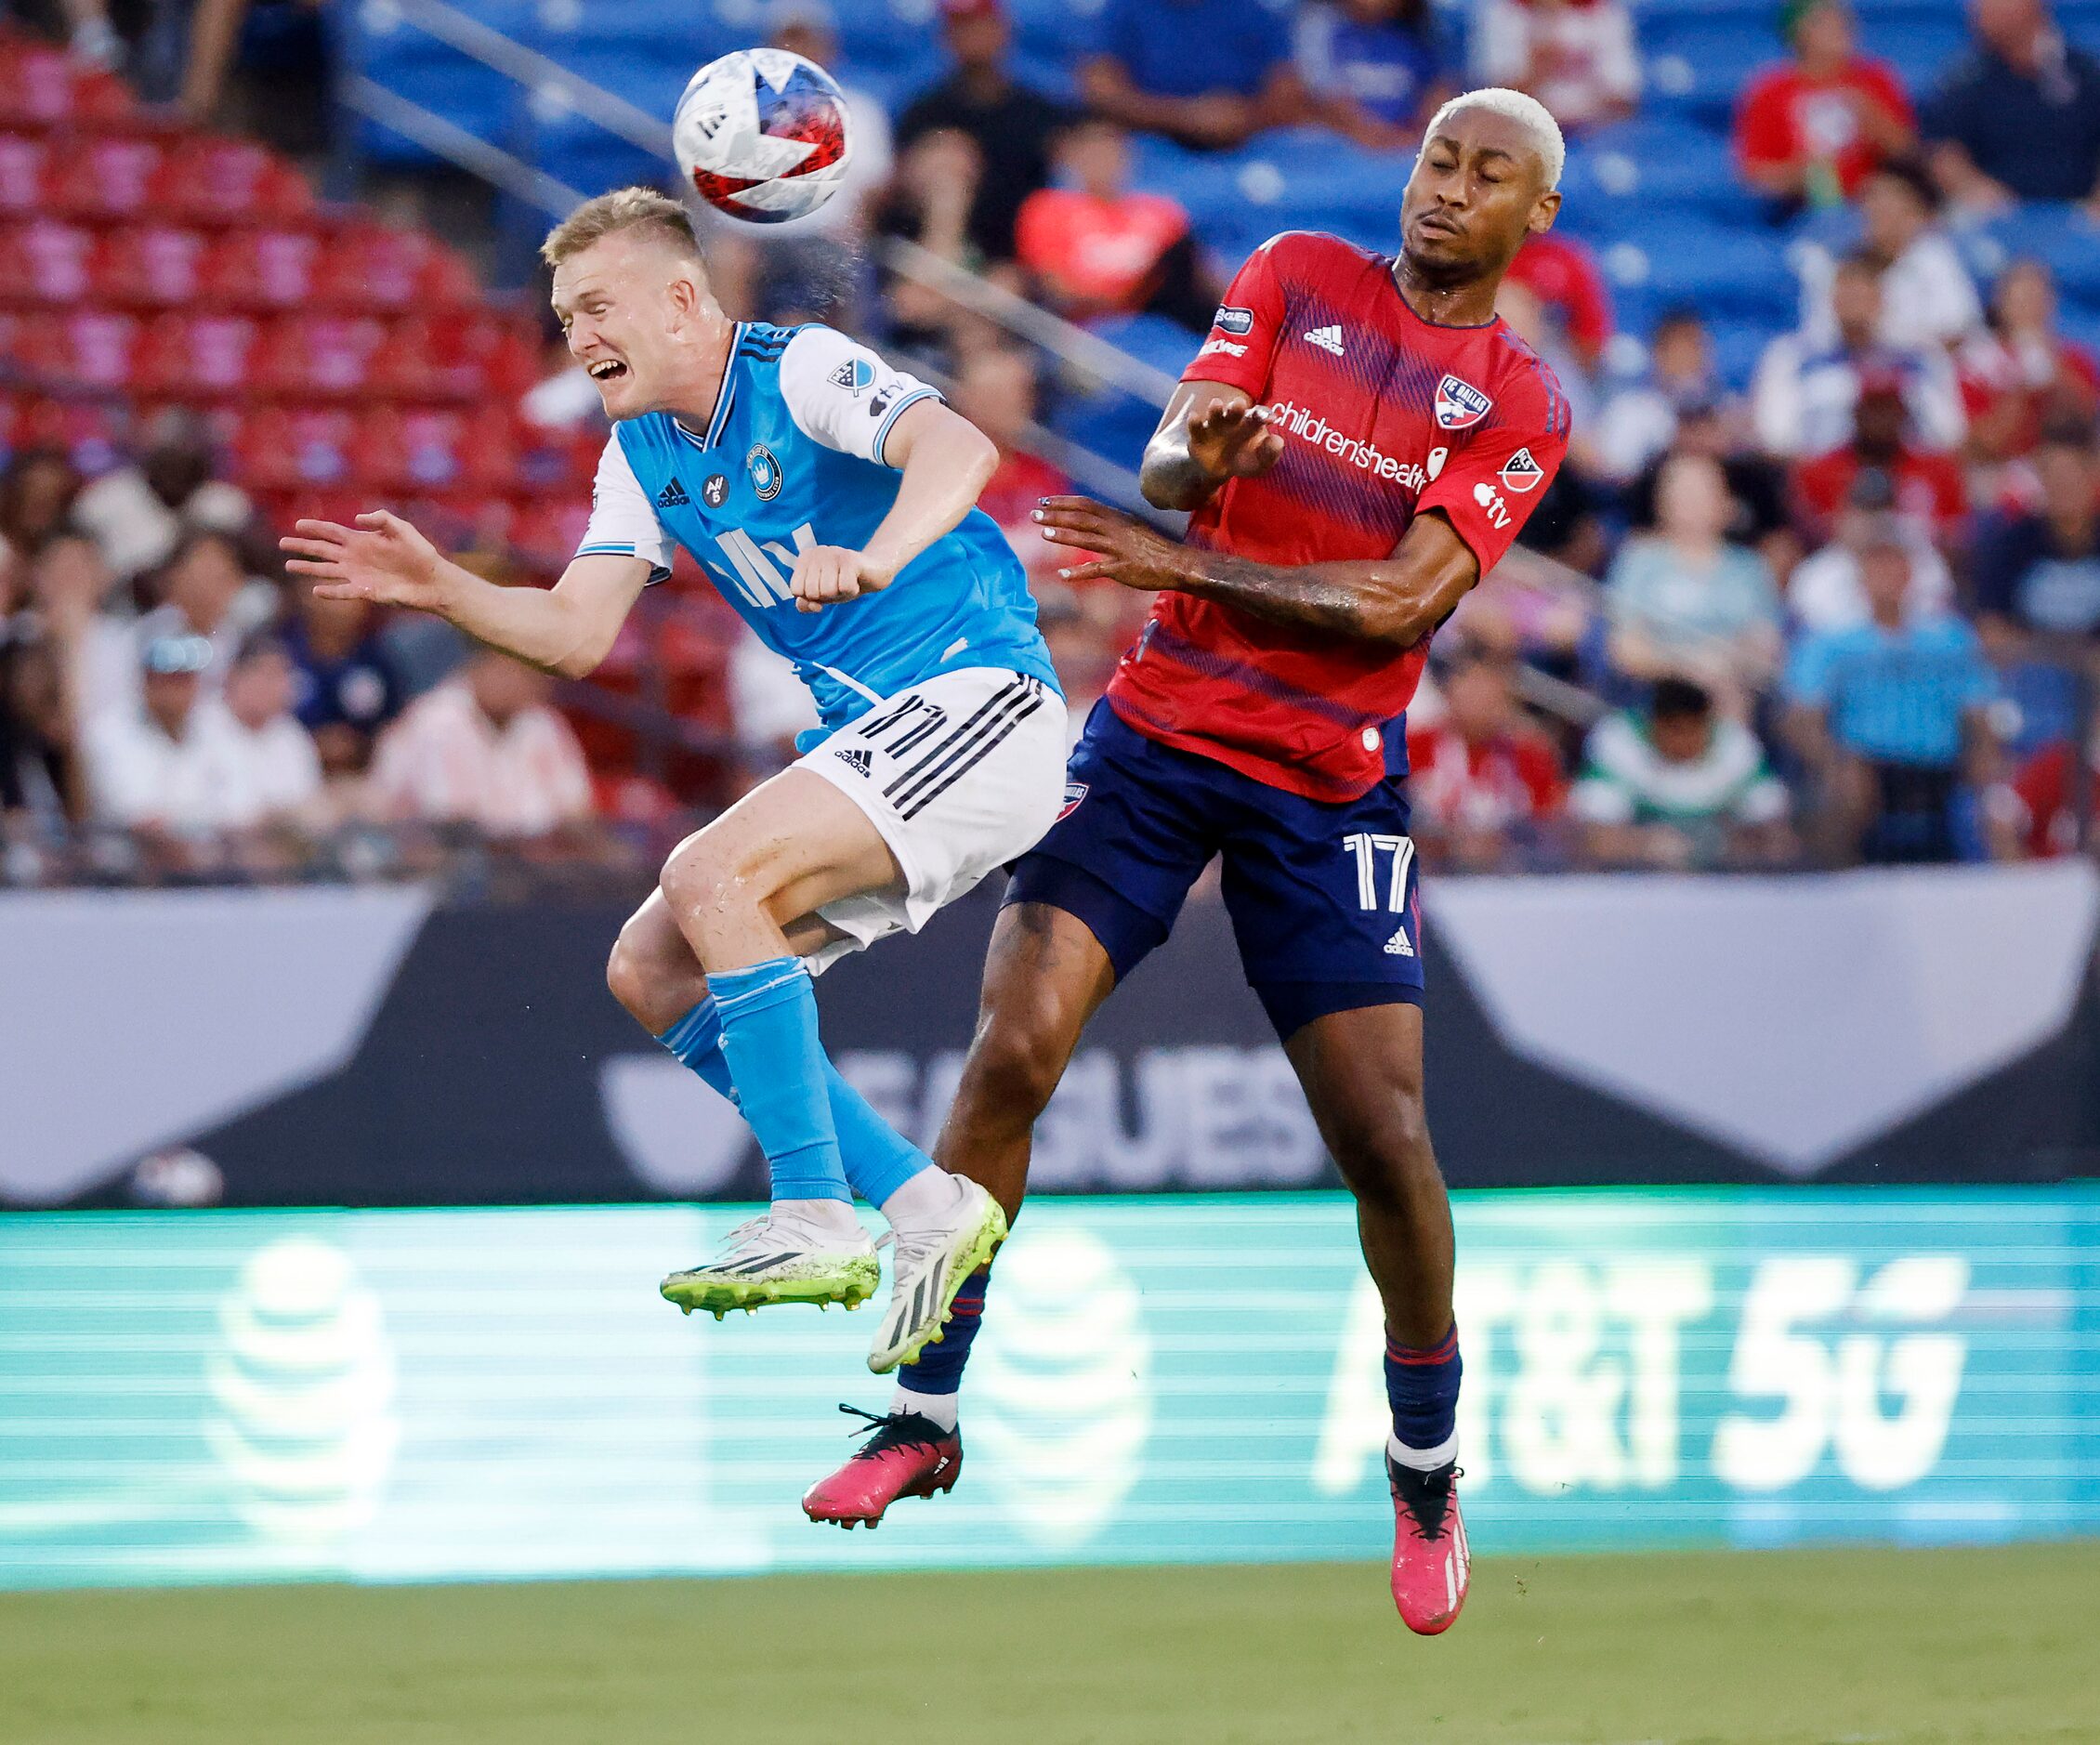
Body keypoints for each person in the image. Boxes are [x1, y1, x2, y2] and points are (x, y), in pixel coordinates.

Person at [803, 90, 1575, 1638]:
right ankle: (924, 1410)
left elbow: (1403, 603)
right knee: (1010, 1050)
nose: (1450, 189)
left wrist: (1191, 559)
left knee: (1387, 1140)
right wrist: (1183, 461)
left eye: (1490, 174)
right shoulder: (1293, 272)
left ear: (1531, 218)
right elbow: (1169, 463)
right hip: (1156, 742)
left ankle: (1425, 1463)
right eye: (1438, 157)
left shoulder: (1517, 399)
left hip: (1326, 787)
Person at [280, 188, 1066, 1377]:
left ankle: (812, 1213)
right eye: (562, 315)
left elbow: (958, 449)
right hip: (884, 735)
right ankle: (920, 1205)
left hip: (979, 702)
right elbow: (575, 632)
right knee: (647, 966)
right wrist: (444, 591)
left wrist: (876, 555)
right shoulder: (637, 452)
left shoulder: (797, 368)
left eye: (597, 306)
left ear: (686, 300)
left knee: (707, 873)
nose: (577, 335)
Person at [1784, 534, 1999, 862]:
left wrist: (1985, 754)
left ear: (1910, 575)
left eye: (1894, 568)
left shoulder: (1950, 639)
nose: (1886, 579)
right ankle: (1838, 898)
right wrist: (1836, 761)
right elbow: (1801, 718)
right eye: (1876, 569)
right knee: (1841, 798)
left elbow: (1979, 709)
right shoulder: (1830, 644)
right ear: (1860, 580)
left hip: (1941, 766)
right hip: (1865, 766)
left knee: (1999, 805)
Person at [893, 0, 1071, 268]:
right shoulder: (924, 112)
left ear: (1003, 30)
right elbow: (900, 195)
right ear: (945, 37)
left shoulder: (1041, 114)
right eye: (961, 27)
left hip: (1019, 262)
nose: (972, 37)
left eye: (980, 25)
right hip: (941, 251)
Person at [1604, 451, 1784, 711]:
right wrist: (1691, 666)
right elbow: (1625, 648)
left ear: (1725, 501)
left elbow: (1766, 646)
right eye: (1683, 492)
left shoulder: (1749, 567)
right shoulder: (1639, 560)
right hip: (1656, 695)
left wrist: (1725, 663)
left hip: (1730, 689)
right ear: (1662, 501)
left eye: (1703, 491)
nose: (1693, 502)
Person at [1752, 253, 1964, 458]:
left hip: (1907, 473)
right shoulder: (1792, 356)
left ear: (1881, 299)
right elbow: (1776, 440)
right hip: (1821, 474)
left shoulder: (1920, 356)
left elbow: (1948, 434)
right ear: (1831, 299)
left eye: (1862, 294)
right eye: (1847, 294)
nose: (1854, 303)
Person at [365, 644, 591, 837]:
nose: (521, 682)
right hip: (430, 860)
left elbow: (578, 809)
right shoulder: (438, 719)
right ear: (479, 666)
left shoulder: (542, 723)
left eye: (529, 673)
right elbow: (450, 822)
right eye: (507, 669)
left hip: (526, 862)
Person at [1015, 117, 1214, 332]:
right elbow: (1056, 288)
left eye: (1112, 151)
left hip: (1163, 325)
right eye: (1094, 153)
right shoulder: (1048, 209)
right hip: (1086, 332)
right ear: (1073, 158)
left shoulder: (1161, 211)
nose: (1104, 161)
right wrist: (1134, 292)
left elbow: (1196, 276)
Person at [1570, 676, 1792, 868]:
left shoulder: (1735, 746)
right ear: (1655, 724)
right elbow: (1595, 838)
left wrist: (1723, 847)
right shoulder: (1619, 742)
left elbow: (1777, 836)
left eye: (1693, 731)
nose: (1684, 742)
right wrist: (1644, 845)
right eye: (1676, 730)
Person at [1733, 0, 1915, 212]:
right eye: (1826, 21)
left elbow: (1907, 152)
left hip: (1874, 206)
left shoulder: (1875, 78)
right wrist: (1799, 175)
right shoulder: (1769, 92)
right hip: (1801, 210)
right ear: (1799, 32)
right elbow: (1753, 175)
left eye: (1843, 19)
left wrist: (1872, 118)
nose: (1841, 26)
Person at [1922, 0, 2100, 212]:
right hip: (1992, 214)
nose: (1979, 9)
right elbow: (1942, 151)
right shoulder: (1964, 79)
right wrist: (1975, 189)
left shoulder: (2085, 74)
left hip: (2080, 215)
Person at [1796, 161, 1981, 356]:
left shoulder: (1934, 258)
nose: (1876, 212)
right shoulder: (1845, 262)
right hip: (1852, 366)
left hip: (1923, 368)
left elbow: (1955, 332)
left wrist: (1886, 342)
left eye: (1888, 208)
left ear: (1915, 215)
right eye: (1872, 205)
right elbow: (1819, 333)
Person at [1404, 646, 1565, 869]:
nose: (1481, 701)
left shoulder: (1530, 756)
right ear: (1449, 692)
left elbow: (1551, 827)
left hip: (1510, 875)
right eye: (1472, 689)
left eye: (1491, 692)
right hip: (1429, 871)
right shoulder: (1413, 746)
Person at [1081, 0, 1308, 152]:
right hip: (1152, 147)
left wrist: (1242, 117)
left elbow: (1287, 91)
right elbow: (1102, 91)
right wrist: (1187, 116)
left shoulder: (1253, 11)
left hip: (1250, 145)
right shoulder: (1124, 10)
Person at [1791, 375, 1968, 547]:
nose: (1880, 419)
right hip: (1839, 567)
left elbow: (1957, 533)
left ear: (1903, 413)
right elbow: (1807, 534)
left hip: (1923, 568)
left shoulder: (1937, 469)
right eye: (1872, 409)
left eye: (1888, 409)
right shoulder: (1819, 472)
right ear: (1856, 413)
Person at [1958, 259, 2100, 468]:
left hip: (2063, 475)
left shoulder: (2074, 359)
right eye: (2021, 299)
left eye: (2036, 298)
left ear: (2050, 302)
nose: (2029, 308)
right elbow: (1979, 445)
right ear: (2001, 303)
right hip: (2002, 474)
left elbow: (2091, 426)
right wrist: (2021, 393)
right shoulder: (1977, 363)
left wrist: (2056, 374)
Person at [1296, 0, 1450, 150]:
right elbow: (1321, 97)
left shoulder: (1416, 34)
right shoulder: (1319, 26)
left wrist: (1418, 134)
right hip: (1338, 150)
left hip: (1403, 152)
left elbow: (1437, 93)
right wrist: (1369, 133)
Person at [1471, 0, 1640, 135]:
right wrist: (1539, 70)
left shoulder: (1604, 12)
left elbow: (1624, 103)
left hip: (1592, 132)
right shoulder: (1505, 12)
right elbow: (1495, 101)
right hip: (1523, 131)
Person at [1594, 307, 1719, 482]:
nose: (1687, 360)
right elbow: (1615, 472)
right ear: (1659, 355)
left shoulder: (1723, 409)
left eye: (1694, 348)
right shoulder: (1631, 410)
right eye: (1678, 351)